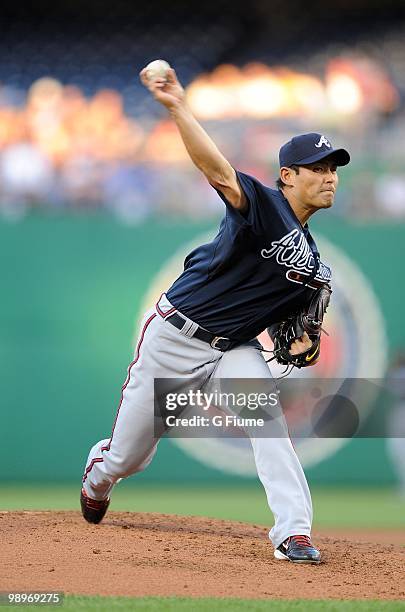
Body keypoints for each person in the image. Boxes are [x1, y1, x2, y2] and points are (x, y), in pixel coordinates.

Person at [80, 64, 350, 565]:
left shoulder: (313, 266)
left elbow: (281, 325)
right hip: (175, 337)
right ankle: (101, 470)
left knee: (267, 423)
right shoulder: (266, 205)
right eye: (318, 167)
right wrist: (178, 105)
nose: (329, 177)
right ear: (288, 176)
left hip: (234, 351)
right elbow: (219, 172)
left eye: (334, 168)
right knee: (129, 457)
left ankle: (293, 533)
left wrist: (299, 342)